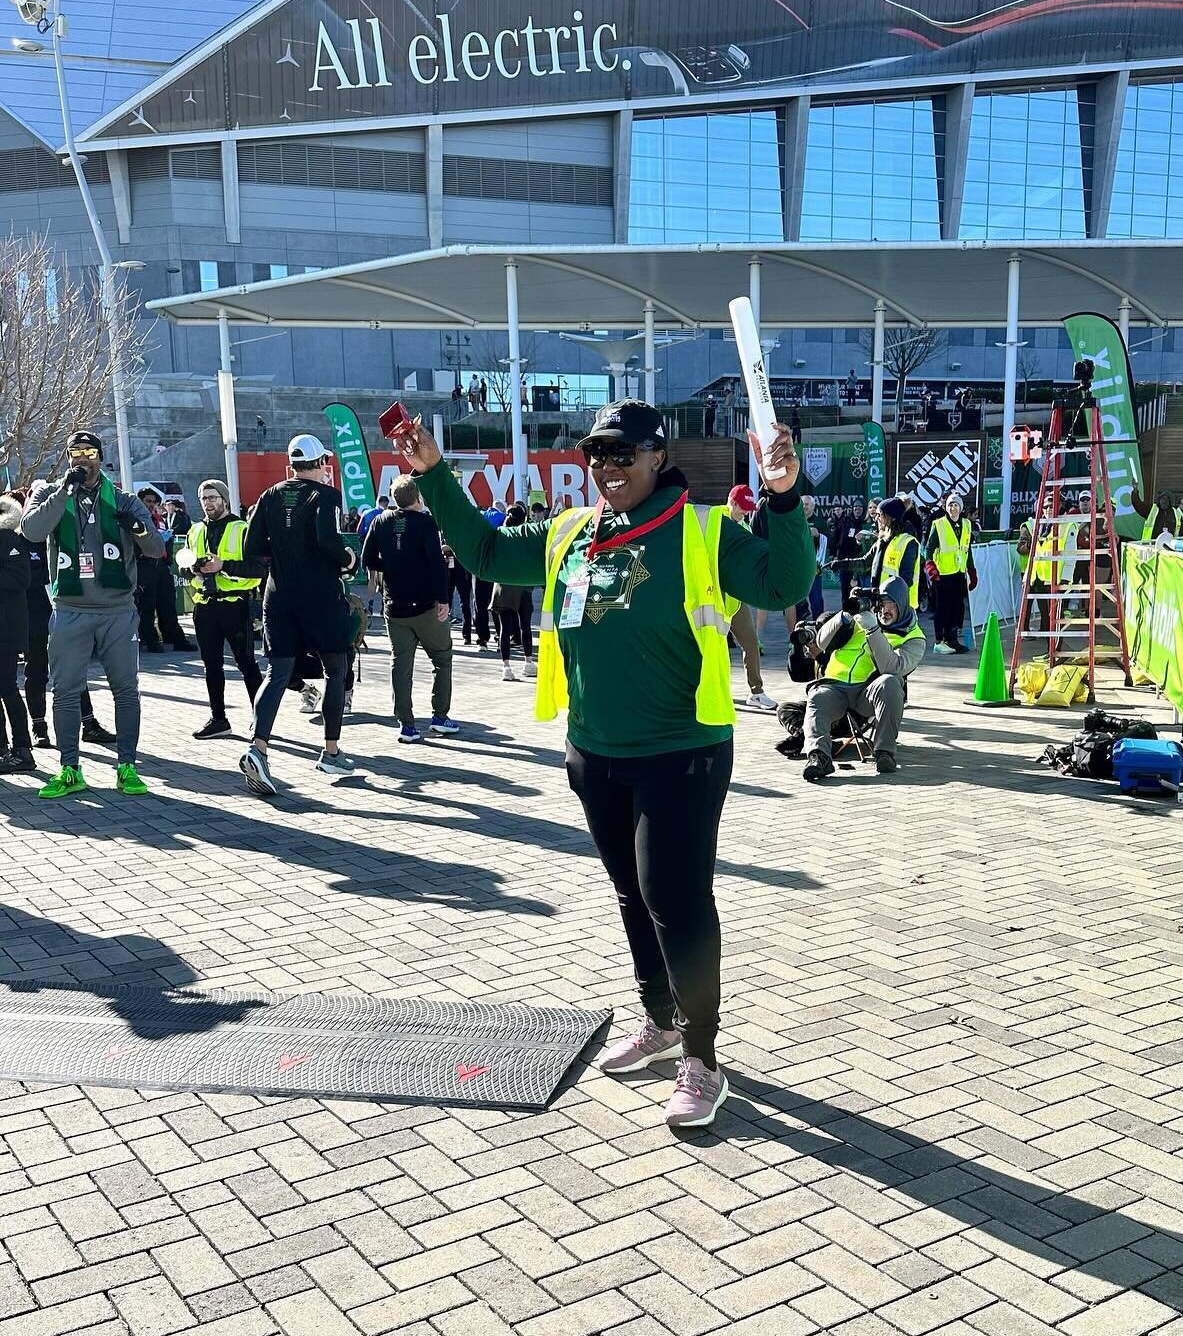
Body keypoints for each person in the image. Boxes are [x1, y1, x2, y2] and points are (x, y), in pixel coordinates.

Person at [394, 398, 813, 1129]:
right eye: (598, 454)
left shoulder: (703, 530)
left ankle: (703, 1059)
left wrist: (784, 496)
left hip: (681, 752)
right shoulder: (570, 535)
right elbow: (487, 554)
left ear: (659, 456)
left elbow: (782, 584)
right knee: (631, 895)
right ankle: (662, 1021)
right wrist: (433, 476)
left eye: (625, 454)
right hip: (594, 752)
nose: (609, 467)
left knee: (675, 901)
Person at [21, 429, 166, 798]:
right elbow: (33, 531)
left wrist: (134, 525)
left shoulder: (123, 499)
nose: (82, 458)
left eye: (89, 451)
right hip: (70, 609)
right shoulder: (49, 493)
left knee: (125, 690)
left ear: (101, 457)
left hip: (117, 610)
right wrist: (63, 491)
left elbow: (153, 549)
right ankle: (70, 769)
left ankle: (127, 767)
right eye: (75, 452)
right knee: (66, 691)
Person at [238, 434, 359, 795]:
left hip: (278, 596)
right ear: (321, 464)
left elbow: (252, 547)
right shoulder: (326, 496)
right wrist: (347, 560)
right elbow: (327, 539)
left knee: (277, 673)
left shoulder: (269, 495)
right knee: (335, 670)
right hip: (320, 596)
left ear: (290, 465)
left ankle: (258, 748)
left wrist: (283, 559)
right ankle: (331, 751)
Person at [799, 577, 927, 781]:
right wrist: (845, 613)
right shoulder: (862, 617)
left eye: (890, 604)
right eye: (881, 603)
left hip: (866, 694)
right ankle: (819, 757)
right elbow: (821, 642)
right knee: (817, 696)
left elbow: (892, 668)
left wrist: (873, 630)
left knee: (890, 683)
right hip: (835, 688)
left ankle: (884, 752)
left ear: (902, 604)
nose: (884, 610)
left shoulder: (914, 637)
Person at [361, 474, 458, 743]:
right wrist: (443, 600)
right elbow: (437, 564)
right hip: (426, 606)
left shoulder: (380, 521)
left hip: (395, 607)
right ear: (418, 497)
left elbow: (367, 558)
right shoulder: (427, 522)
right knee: (441, 658)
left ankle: (407, 724)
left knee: (401, 665)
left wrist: (392, 566)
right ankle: (440, 716)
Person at [19, 483, 112, 753]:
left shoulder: (67, 532)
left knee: (74, 671)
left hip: (67, 612)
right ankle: (39, 727)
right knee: (36, 670)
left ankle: (89, 724)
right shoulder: (22, 538)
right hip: (34, 616)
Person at [175, 479, 263, 739]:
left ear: (224, 499)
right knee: (211, 665)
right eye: (203, 498)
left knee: (247, 663)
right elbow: (184, 562)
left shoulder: (242, 528)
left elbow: (258, 569)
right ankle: (218, 719)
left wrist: (223, 565)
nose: (208, 503)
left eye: (213, 497)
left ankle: (262, 718)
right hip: (204, 605)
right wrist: (191, 569)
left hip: (235, 605)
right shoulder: (195, 530)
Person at [722, 485, 776, 712]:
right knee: (712, 648)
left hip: (735, 598)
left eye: (748, 508)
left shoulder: (744, 526)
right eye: (743, 508)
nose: (746, 512)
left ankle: (756, 692)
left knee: (751, 644)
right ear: (731, 502)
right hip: (710, 598)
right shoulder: (715, 520)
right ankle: (714, 692)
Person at [134, 484, 195, 652]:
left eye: (153, 502)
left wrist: (165, 546)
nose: (151, 504)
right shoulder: (135, 519)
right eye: (147, 501)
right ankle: (151, 640)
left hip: (160, 565)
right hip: (144, 565)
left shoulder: (158, 519)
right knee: (147, 605)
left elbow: (166, 542)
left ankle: (174, 637)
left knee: (168, 603)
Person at [0, 496, 35, 774]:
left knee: (7, 688)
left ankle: (22, 750)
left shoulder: (10, 540)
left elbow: (22, 578)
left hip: (7, 629)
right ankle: (2, 749)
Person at [925, 493, 975, 652]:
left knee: (957, 608)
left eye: (956, 505)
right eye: (950, 505)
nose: (953, 508)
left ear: (961, 508)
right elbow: (928, 549)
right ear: (945, 507)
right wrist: (931, 568)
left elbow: (967, 549)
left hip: (959, 572)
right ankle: (939, 641)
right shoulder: (939, 524)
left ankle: (952, 639)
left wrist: (972, 571)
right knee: (943, 608)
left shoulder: (967, 524)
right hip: (943, 574)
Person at [494, 506, 537, 679]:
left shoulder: (500, 535)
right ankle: (528, 662)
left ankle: (506, 667)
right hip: (523, 585)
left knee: (505, 629)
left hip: (502, 586)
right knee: (525, 625)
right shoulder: (526, 535)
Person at [865, 497, 921, 609]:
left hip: (900, 607)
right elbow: (865, 562)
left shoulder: (908, 542)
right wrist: (838, 564)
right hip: (883, 603)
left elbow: (905, 580)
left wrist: (889, 602)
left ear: (891, 517)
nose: (876, 519)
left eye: (879, 514)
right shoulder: (882, 540)